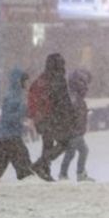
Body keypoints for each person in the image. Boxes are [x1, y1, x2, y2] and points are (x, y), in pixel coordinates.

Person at [28, 53, 77, 182]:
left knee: (47, 144)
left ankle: (44, 171)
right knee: (65, 143)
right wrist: (71, 116)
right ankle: (40, 165)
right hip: (53, 118)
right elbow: (63, 101)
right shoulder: (58, 79)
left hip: (41, 118)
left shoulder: (42, 78)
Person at [0, 69, 36, 180]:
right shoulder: (11, 97)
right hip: (11, 137)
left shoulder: (17, 95)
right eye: (25, 81)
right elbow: (7, 118)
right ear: (19, 81)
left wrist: (23, 124)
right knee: (23, 163)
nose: (27, 84)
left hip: (8, 137)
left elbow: (13, 118)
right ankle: (28, 179)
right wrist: (23, 111)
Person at [59, 69, 93, 182]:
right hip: (74, 131)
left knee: (71, 153)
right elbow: (72, 115)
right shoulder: (74, 97)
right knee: (83, 150)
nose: (86, 88)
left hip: (73, 130)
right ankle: (79, 173)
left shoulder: (74, 96)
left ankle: (64, 174)